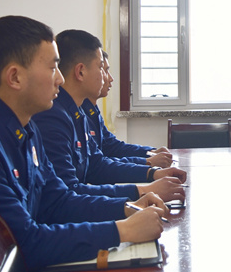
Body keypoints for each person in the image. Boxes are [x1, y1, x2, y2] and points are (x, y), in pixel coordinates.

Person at [0, 16, 168, 272]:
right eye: (52, 67)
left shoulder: (26, 127)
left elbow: (57, 201)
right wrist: (121, 230)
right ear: (15, 77)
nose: (60, 79)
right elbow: (23, 242)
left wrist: (126, 208)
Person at [33, 30, 186, 203]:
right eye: (101, 68)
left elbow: (96, 165)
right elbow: (65, 197)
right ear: (80, 72)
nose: (108, 78)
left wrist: (151, 173)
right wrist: (141, 192)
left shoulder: (77, 113)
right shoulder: (53, 117)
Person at [82, 50, 173, 168]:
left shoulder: (92, 110)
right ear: (81, 72)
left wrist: (151, 152)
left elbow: (111, 146)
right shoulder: (78, 113)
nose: (110, 78)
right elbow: (97, 166)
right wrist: (147, 163)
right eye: (104, 70)